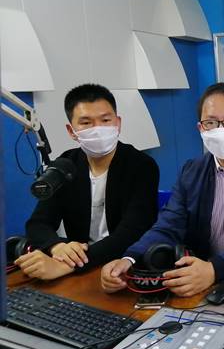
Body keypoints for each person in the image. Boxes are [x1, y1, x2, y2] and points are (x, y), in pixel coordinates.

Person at [101, 82, 224, 297]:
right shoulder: (192, 171)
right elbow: (169, 226)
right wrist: (129, 258)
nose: (220, 130)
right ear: (200, 128)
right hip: (199, 281)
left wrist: (215, 269)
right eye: (211, 123)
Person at [15, 84, 159, 280]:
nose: (97, 129)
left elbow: (132, 233)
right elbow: (38, 223)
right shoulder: (66, 165)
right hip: (81, 269)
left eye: (105, 120)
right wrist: (57, 247)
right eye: (86, 122)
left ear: (118, 123)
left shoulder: (141, 166)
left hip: (123, 266)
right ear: (71, 130)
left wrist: (68, 265)